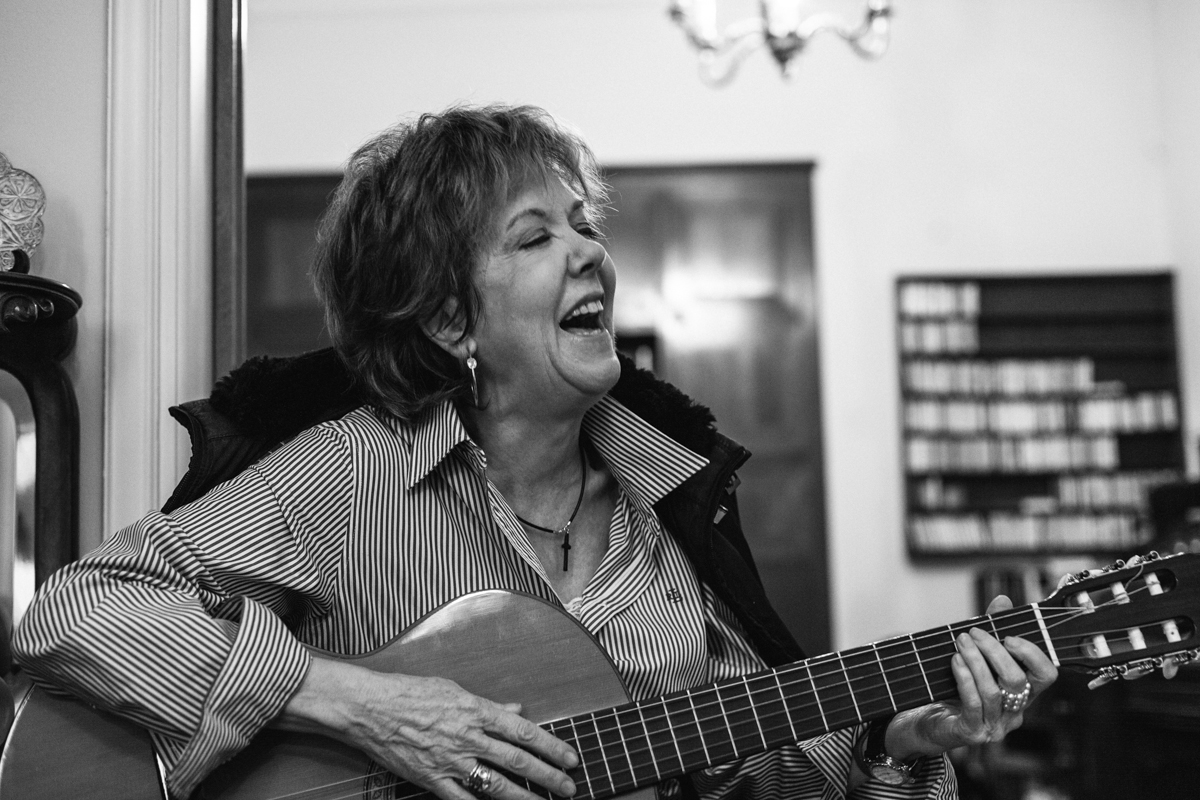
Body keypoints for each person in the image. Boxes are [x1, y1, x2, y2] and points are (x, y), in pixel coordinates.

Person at [13, 104, 1058, 800]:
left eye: (583, 223)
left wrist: (902, 741)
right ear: (449, 319)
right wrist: (360, 703)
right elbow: (74, 609)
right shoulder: (351, 472)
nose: (591, 249)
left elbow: (778, 773)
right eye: (535, 235)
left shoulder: (669, 527)